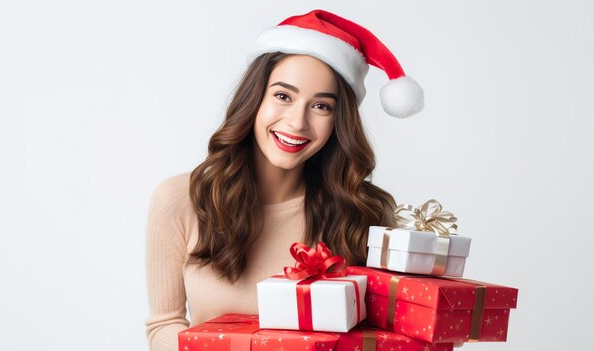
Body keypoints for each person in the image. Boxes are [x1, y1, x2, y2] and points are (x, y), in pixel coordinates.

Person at [145, 9, 424, 351]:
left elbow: (387, 335)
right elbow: (164, 326)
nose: (297, 122)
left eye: (321, 106)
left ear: (339, 120)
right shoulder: (181, 200)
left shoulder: (366, 211)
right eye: (283, 96)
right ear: (255, 98)